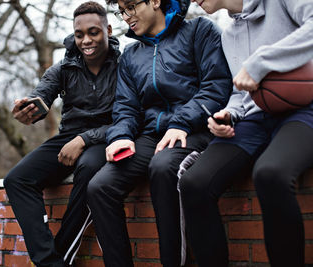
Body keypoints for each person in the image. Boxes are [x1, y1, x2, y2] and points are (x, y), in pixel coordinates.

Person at [86, 0, 232, 266]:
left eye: (130, 6)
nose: (125, 17)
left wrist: (182, 122)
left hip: (196, 129)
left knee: (163, 166)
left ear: (155, 1)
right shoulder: (131, 55)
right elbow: (126, 107)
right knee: (100, 187)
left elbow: (216, 87)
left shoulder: (200, 31)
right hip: (152, 136)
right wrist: (120, 136)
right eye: (121, 11)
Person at [179, 0, 313, 266]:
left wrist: (261, 62)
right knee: (194, 183)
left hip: (309, 106)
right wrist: (229, 114)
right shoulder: (229, 34)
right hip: (255, 118)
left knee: (270, 174)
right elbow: (241, 93)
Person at [3, 2, 121, 266]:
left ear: (108, 30)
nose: (86, 40)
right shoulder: (64, 67)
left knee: (89, 168)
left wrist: (84, 140)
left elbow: (129, 117)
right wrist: (30, 110)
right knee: (17, 179)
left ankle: (64, 249)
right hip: (69, 136)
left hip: (107, 136)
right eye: (80, 34)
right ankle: (49, 261)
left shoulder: (124, 66)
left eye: (94, 32)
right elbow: (42, 95)